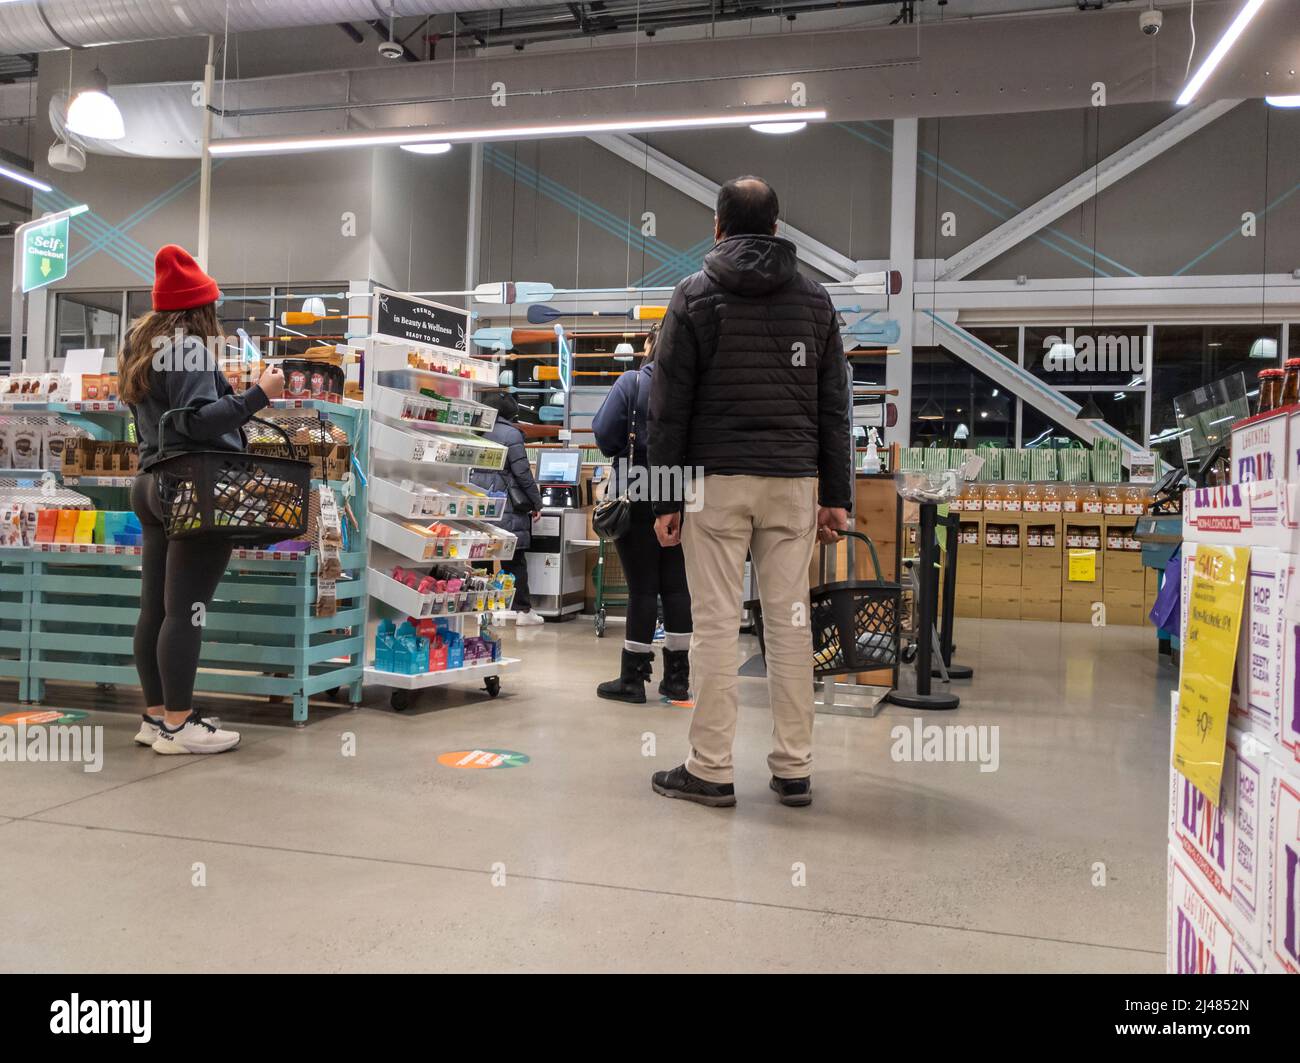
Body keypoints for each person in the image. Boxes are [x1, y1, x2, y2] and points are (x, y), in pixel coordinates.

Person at [647, 176, 852, 809]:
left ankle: (710, 769)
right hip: (792, 484)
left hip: (715, 483)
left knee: (714, 625)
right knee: (789, 625)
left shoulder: (693, 295)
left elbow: (667, 408)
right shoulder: (817, 303)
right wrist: (836, 495)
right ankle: (794, 768)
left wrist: (664, 498)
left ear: (717, 227)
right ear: (777, 226)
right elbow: (834, 407)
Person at [123, 244, 285, 754]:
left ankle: (156, 717)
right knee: (187, 610)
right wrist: (259, 394)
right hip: (195, 489)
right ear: (202, 307)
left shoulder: (143, 347)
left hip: (152, 485)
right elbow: (197, 420)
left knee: (156, 609)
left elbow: (176, 418)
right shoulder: (189, 348)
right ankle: (180, 724)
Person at [591, 325, 692, 703]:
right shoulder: (690, 388)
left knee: (642, 588)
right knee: (679, 587)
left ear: (650, 345)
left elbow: (604, 434)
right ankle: (678, 678)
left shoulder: (633, 382)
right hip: (683, 492)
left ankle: (633, 679)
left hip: (636, 489)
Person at [472, 392, 544, 626]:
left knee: (480, 556)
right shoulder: (512, 434)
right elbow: (522, 473)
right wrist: (537, 502)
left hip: (478, 501)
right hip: (506, 505)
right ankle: (522, 611)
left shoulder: (475, 431)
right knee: (513, 557)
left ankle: (482, 608)